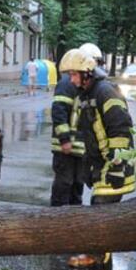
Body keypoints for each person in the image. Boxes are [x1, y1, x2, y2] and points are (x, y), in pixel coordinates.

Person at [59, 48, 135, 267]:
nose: (71, 80)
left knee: (100, 210)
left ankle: (97, 256)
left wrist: (117, 167)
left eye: (74, 74)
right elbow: (91, 137)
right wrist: (88, 169)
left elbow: (121, 130)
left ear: (87, 73)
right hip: (102, 165)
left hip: (114, 166)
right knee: (100, 209)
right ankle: (99, 255)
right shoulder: (88, 95)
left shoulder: (105, 92)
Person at [50, 50, 85, 207]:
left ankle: (74, 222)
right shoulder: (66, 83)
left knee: (77, 186)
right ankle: (55, 222)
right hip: (65, 148)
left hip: (80, 149)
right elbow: (59, 112)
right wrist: (64, 139)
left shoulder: (84, 84)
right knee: (63, 186)